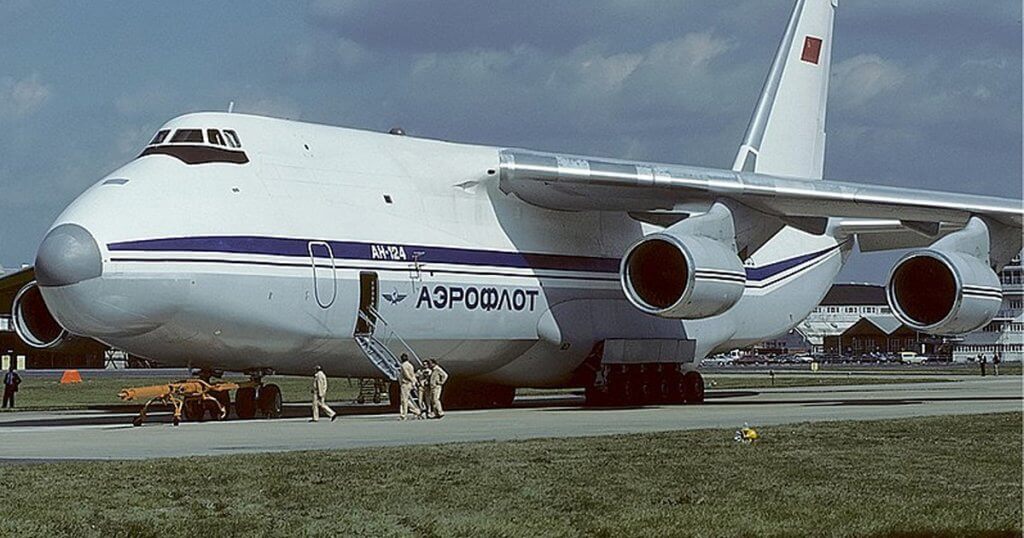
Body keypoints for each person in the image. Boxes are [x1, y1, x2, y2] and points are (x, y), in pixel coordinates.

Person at [398, 354, 421, 420]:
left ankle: (404, 415)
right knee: (406, 399)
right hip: (409, 383)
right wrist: (413, 381)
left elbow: (406, 374)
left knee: (403, 400)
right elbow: (412, 374)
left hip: (405, 383)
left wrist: (410, 379)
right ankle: (416, 411)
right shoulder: (410, 365)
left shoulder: (404, 365)